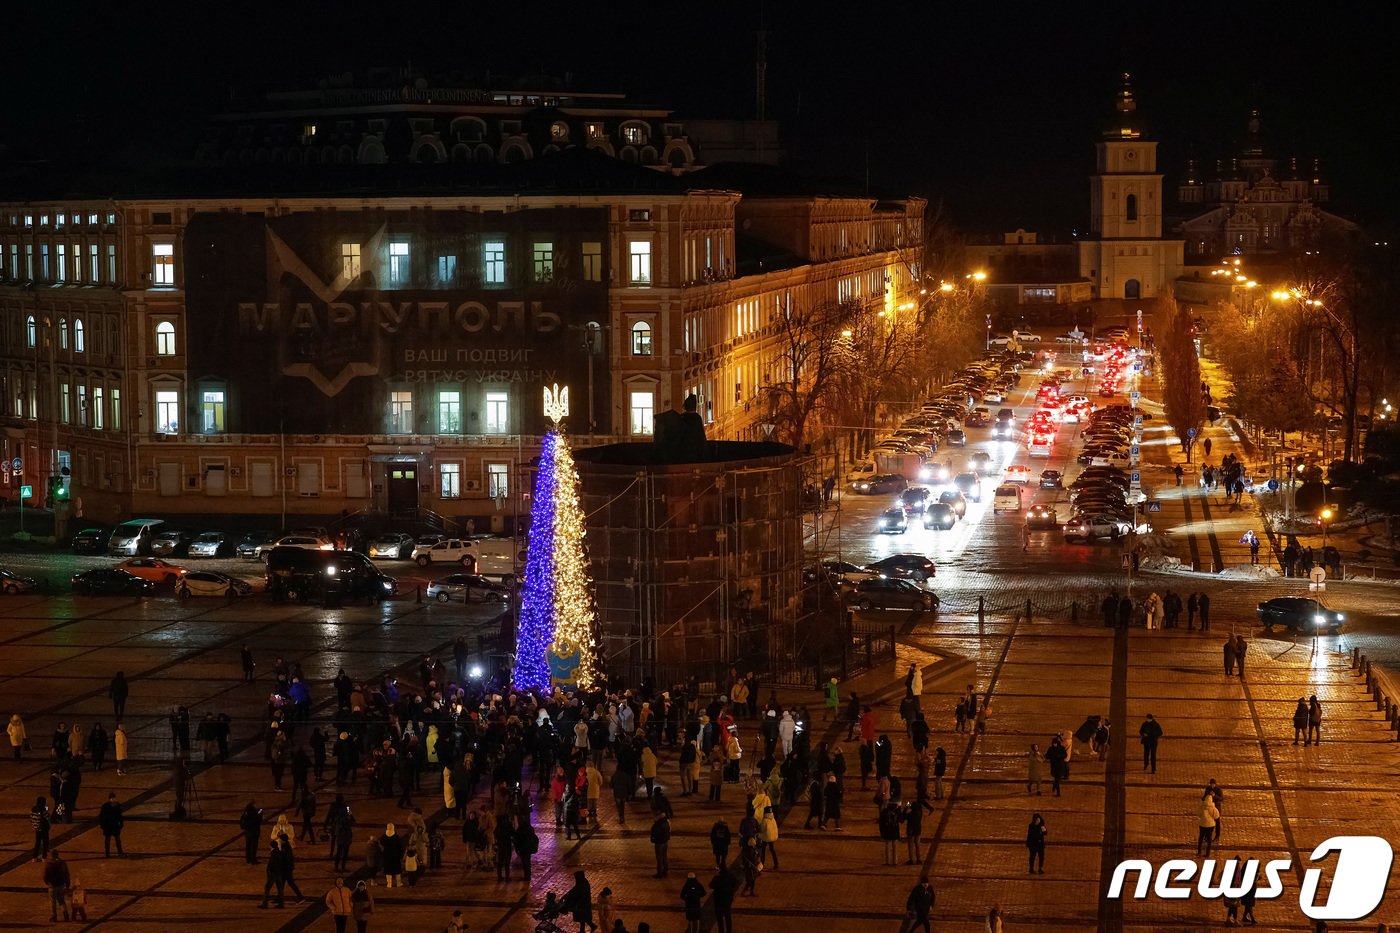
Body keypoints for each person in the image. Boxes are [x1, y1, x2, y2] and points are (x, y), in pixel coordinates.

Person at [44, 850, 71, 922]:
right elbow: (67, 874)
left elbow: (45, 876)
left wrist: (47, 882)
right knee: (61, 900)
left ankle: (54, 916)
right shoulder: (63, 863)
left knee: (53, 901)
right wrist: (67, 884)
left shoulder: (48, 864)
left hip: (52, 885)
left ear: (51, 856)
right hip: (61, 884)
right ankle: (65, 913)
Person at [259, 842, 287, 908]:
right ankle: (281, 903)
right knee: (280, 889)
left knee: (267, 888)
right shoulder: (280, 852)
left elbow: (272, 864)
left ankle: (265, 903)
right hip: (279, 873)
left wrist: (269, 871)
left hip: (273, 873)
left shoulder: (274, 853)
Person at [711, 868, 738, 933]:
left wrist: (715, 876)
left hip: (719, 902)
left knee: (720, 918)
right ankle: (729, 930)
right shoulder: (729, 876)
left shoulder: (718, 878)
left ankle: (721, 931)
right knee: (727, 916)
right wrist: (731, 890)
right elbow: (736, 883)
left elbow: (711, 885)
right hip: (728, 900)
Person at [1196, 790, 1220, 856]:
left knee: (1201, 838)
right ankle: (1207, 853)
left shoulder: (1202, 806)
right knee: (1209, 840)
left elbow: (1198, 813)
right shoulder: (1213, 808)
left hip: (1202, 824)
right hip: (1210, 825)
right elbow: (1217, 815)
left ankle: (1199, 852)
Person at [878, 799, 901, 865]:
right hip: (894, 831)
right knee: (895, 846)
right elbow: (901, 819)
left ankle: (887, 861)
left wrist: (881, 832)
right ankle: (895, 861)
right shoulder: (896, 812)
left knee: (887, 846)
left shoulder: (885, 812)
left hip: (887, 831)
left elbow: (881, 823)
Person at [31, 796, 51, 861]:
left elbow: (31, 817)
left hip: (37, 828)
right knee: (45, 842)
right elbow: (47, 816)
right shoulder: (43, 809)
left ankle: (34, 857)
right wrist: (46, 809)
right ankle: (44, 857)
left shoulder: (33, 809)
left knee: (37, 843)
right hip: (43, 828)